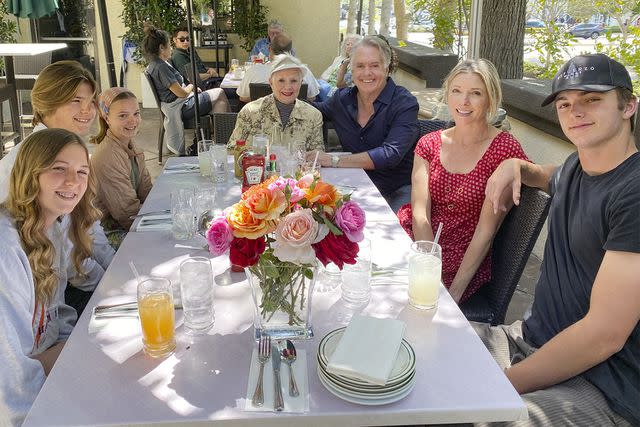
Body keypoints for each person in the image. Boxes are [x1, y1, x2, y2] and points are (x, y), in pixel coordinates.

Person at [478, 54, 639, 426]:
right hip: (527, 339)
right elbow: (549, 175)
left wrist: (499, 386)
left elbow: (605, 335)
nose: (575, 111)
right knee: (427, 347)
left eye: (592, 99)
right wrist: (516, 166)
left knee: (483, 418)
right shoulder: (575, 166)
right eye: (565, 103)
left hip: (600, 381)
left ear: (629, 105)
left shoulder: (633, 193)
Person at [396, 59, 529, 304]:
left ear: (490, 98)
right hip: (419, 242)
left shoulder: (504, 150)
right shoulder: (430, 143)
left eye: (475, 93)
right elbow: (420, 214)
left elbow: (485, 232)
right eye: (456, 91)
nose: (463, 102)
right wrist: (426, 264)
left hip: (463, 259)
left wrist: (451, 296)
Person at [0, 129, 102, 426]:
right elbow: (13, 391)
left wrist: (76, 350)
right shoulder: (7, 252)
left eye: (82, 171)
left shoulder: (52, 229)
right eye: (59, 169)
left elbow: (57, 318)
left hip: (47, 375)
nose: (73, 181)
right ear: (31, 174)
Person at [0, 60, 114, 314]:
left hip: (61, 298)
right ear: (47, 104)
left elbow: (87, 227)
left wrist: (116, 271)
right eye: (75, 100)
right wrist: (109, 285)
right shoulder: (22, 165)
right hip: (35, 308)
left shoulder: (73, 151)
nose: (87, 110)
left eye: (91, 101)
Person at [307, 35, 419, 212]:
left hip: (396, 191)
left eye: (374, 65)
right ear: (351, 68)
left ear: (387, 67)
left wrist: (333, 159)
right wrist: (286, 92)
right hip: (355, 186)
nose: (367, 73)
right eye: (360, 66)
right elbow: (312, 110)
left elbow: (390, 154)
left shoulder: (404, 103)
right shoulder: (341, 100)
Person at [142, 24, 230, 155]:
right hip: (182, 107)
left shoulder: (156, 64)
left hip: (182, 103)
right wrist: (192, 87)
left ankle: (215, 142)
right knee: (220, 92)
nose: (171, 48)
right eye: (169, 45)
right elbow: (181, 93)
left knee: (219, 102)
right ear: (161, 47)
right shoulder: (161, 67)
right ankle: (224, 141)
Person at [90, 88, 152, 245]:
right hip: (107, 232)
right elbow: (127, 214)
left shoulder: (131, 145)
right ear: (106, 118)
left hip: (131, 219)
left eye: (136, 113)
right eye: (123, 116)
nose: (133, 121)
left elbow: (146, 190)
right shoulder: (108, 156)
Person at [227, 54, 323, 151]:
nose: (288, 87)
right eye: (281, 80)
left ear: (301, 83)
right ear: (271, 83)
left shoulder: (313, 116)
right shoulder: (250, 112)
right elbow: (232, 150)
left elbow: (317, 158)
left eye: (293, 81)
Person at [237, 33, 320, 103]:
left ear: (269, 49)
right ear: (291, 52)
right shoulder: (303, 71)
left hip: (261, 119)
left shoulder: (253, 71)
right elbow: (312, 97)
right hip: (295, 118)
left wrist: (263, 102)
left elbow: (243, 97)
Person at [170, 25, 221, 90]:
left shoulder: (191, 51)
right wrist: (210, 75)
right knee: (234, 91)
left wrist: (209, 70)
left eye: (188, 39)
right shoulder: (178, 56)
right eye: (182, 39)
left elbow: (200, 67)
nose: (186, 42)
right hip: (202, 86)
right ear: (175, 40)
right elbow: (192, 78)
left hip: (209, 81)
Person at [317, 34, 362, 101]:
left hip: (341, 90)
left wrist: (345, 65)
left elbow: (341, 84)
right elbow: (325, 75)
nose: (349, 47)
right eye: (347, 44)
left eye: (352, 45)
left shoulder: (358, 63)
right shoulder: (339, 59)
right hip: (328, 86)